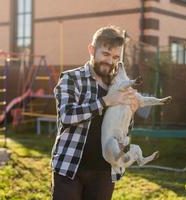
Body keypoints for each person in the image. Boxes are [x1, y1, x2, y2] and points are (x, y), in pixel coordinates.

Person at [51, 25, 140, 200]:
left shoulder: (117, 85)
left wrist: (131, 114)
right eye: (105, 54)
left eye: (115, 57)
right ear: (92, 50)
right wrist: (106, 101)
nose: (110, 61)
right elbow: (67, 116)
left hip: (104, 172)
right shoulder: (71, 78)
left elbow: (122, 130)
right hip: (70, 168)